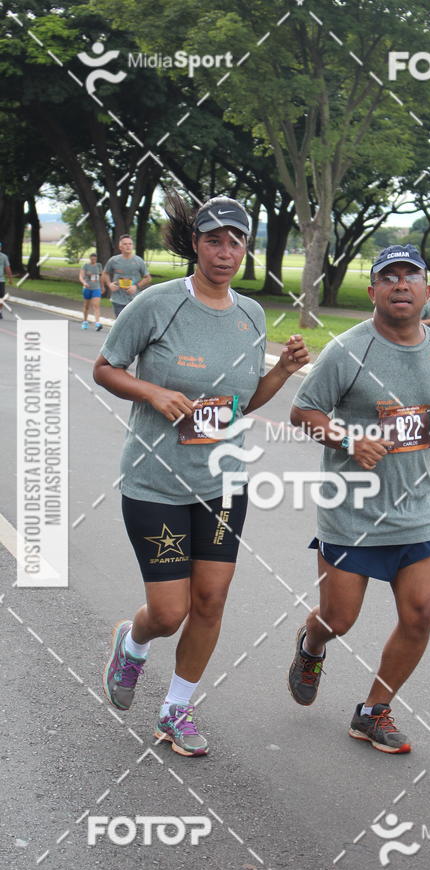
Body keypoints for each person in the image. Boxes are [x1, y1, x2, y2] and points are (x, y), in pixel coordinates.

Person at [94, 194, 309, 756]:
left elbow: (242, 403)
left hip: (223, 482)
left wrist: (282, 371)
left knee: (210, 601)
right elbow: (106, 368)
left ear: (245, 249)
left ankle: (176, 709)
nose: (225, 251)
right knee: (170, 612)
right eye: (214, 239)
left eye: (236, 241)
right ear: (196, 243)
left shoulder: (251, 315)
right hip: (155, 483)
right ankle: (132, 643)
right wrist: (153, 390)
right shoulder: (156, 304)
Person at [287, 244, 430, 753]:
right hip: (351, 511)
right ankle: (311, 645)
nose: (400, 285)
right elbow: (303, 412)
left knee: (420, 613)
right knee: (339, 619)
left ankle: (373, 712)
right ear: (372, 291)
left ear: (426, 288)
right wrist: (351, 440)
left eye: (409, 276)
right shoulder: (348, 350)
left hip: (416, 510)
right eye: (388, 277)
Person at [102, 234, 151, 318]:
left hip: (134, 299)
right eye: (125, 244)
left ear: (133, 246)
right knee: (121, 325)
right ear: (120, 247)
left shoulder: (138, 261)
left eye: (130, 244)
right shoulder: (114, 260)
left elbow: (148, 278)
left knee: (134, 325)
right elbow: (105, 273)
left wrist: (136, 287)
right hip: (118, 300)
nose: (128, 246)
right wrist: (110, 284)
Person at [79, 252, 103, 330]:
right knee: (86, 306)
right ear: (90, 259)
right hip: (87, 288)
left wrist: (102, 286)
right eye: (92, 259)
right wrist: (84, 283)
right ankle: (85, 321)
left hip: (96, 288)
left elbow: (101, 276)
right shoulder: (86, 266)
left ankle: (97, 323)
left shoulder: (99, 266)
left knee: (96, 306)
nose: (93, 260)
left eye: (95, 259)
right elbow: (81, 276)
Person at [0, 242, 14, 320]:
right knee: (1, 297)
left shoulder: (4, 257)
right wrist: (10, 279)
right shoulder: (4, 257)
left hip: (1, 280)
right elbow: (8, 269)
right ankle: (0, 312)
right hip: (1, 281)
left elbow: (7, 269)